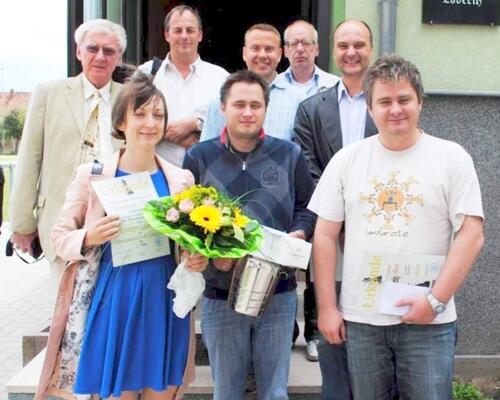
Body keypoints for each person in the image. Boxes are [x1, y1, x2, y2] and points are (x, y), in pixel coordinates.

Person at [309, 54, 484, 400]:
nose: (395, 109)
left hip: (429, 320)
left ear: (419, 101)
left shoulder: (452, 157)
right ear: (370, 108)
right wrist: (327, 308)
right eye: (384, 101)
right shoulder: (347, 160)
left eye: (404, 99)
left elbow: (472, 234)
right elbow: (325, 235)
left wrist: (435, 300)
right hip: (362, 320)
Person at [36, 73, 208, 400]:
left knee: (162, 392)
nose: (150, 123)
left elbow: (188, 245)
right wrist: (89, 236)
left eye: (158, 115)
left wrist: (195, 257)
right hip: (115, 297)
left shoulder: (180, 180)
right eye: (140, 114)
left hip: (165, 300)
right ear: (120, 124)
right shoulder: (94, 175)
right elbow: (59, 237)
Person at [183, 70, 316, 400]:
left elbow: (309, 207)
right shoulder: (199, 157)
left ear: (265, 108)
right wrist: (195, 251)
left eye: (255, 105)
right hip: (219, 293)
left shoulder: (290, 155)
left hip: (278, 291)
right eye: (239, 104)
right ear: (223, 108)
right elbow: (185, 220)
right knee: (227, 392)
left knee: (274, 392)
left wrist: (299, 232)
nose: (247, 112)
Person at [9, 19, 126, 295]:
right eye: (93, 48)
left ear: (118, 57)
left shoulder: (129, 97)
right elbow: (30, 159)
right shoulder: (49, 93)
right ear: (78, 52)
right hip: (63, 221)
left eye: (109, 51)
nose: (100, 56)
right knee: (65, 314)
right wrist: (22, 224)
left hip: (117, 222)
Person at [293, 19, 377, 382]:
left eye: (358, 45)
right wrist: (337, 216)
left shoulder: (389, 102)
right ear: (333, 51)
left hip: (380, 224)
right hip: (329, 225)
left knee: (373, 305)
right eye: (343, 46)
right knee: (332, 299)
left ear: (370, 49)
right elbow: (308, 167)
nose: (351, 52)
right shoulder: (311, 108)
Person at [138, 5, 229, 166]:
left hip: (205, 175)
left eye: (190, 30)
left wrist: (196, 124)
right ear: (167, 35)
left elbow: (232, 124)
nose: (184, 36)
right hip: (155, 174)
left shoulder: (221, 78)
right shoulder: (146, 74)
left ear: (200, 35)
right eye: (177, 30)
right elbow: (131, 120)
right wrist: (167, 132)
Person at [200, 24, 304, 142]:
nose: (262, 55)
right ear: (244, 53)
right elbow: (206, 153)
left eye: (269, 49)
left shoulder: (299, 102)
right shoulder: (220, 99)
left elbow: (301, 156)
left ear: (280, 54)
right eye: (255, 48)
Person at [280, 20, 339, 97]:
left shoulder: (335, 85)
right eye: (294, 43)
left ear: (317, 49)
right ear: (285, 51)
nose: (300, 49)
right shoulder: (273, 86)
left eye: (306, 43)